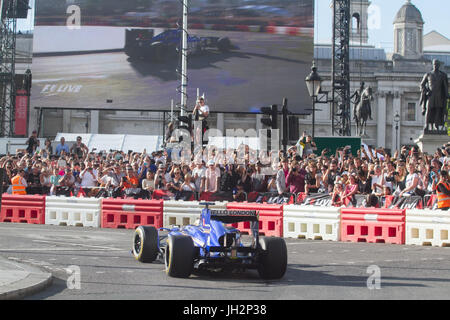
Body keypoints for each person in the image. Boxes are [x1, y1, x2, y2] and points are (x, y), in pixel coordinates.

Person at [420, 59, 449, 132]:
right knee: (429, 110)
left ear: (439, 65)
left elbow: (445, 86)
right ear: (432, 65)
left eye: (437, 64)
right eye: (434, 64)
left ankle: (436, 125)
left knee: (438, 111)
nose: (435, 66)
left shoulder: (443, 75)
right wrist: (426, 91)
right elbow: (422, 85)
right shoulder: (428, 74)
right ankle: (426, 125)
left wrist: (447, 95)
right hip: (431, 96)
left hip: (439, 96)